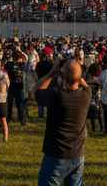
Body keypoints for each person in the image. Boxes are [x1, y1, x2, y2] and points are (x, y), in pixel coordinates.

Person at [32, 56, 90, 186]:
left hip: (55, 154)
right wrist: (73, 69)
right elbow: (80, 80)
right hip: (77, 154)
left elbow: (34, 92)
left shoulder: (56, 95)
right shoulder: (87, 94)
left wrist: (52, 72)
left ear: (62, 75)